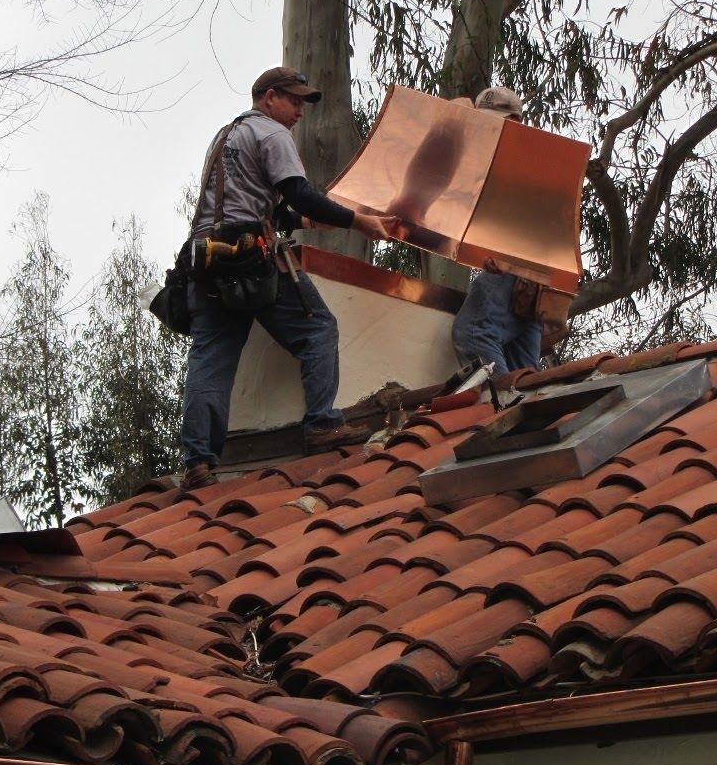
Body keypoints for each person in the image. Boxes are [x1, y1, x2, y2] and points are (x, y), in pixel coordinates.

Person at [180, 67, 397, 490]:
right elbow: (297, 190)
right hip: (249, 259)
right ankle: (320, 425)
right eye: (294, 101)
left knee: (211, 359)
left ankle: (198, 464)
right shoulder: (271, 134)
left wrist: (305, 222)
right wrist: (358, 222)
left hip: (206, 259)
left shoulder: (224, 137)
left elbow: (261, 206)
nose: (300, 110)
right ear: (269, 97)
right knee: (318, 328)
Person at [451, 86, 544, 375]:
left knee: (473, 332)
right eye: (483, 120)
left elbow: (527, 220)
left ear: (515, 121)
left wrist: (504, 257)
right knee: (521, 364)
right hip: (532, 272)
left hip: (519, 265)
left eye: (495, 120)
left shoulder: (529, 158)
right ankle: (528, 411)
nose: (487, 128)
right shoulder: (492, 155)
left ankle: (502, 405)